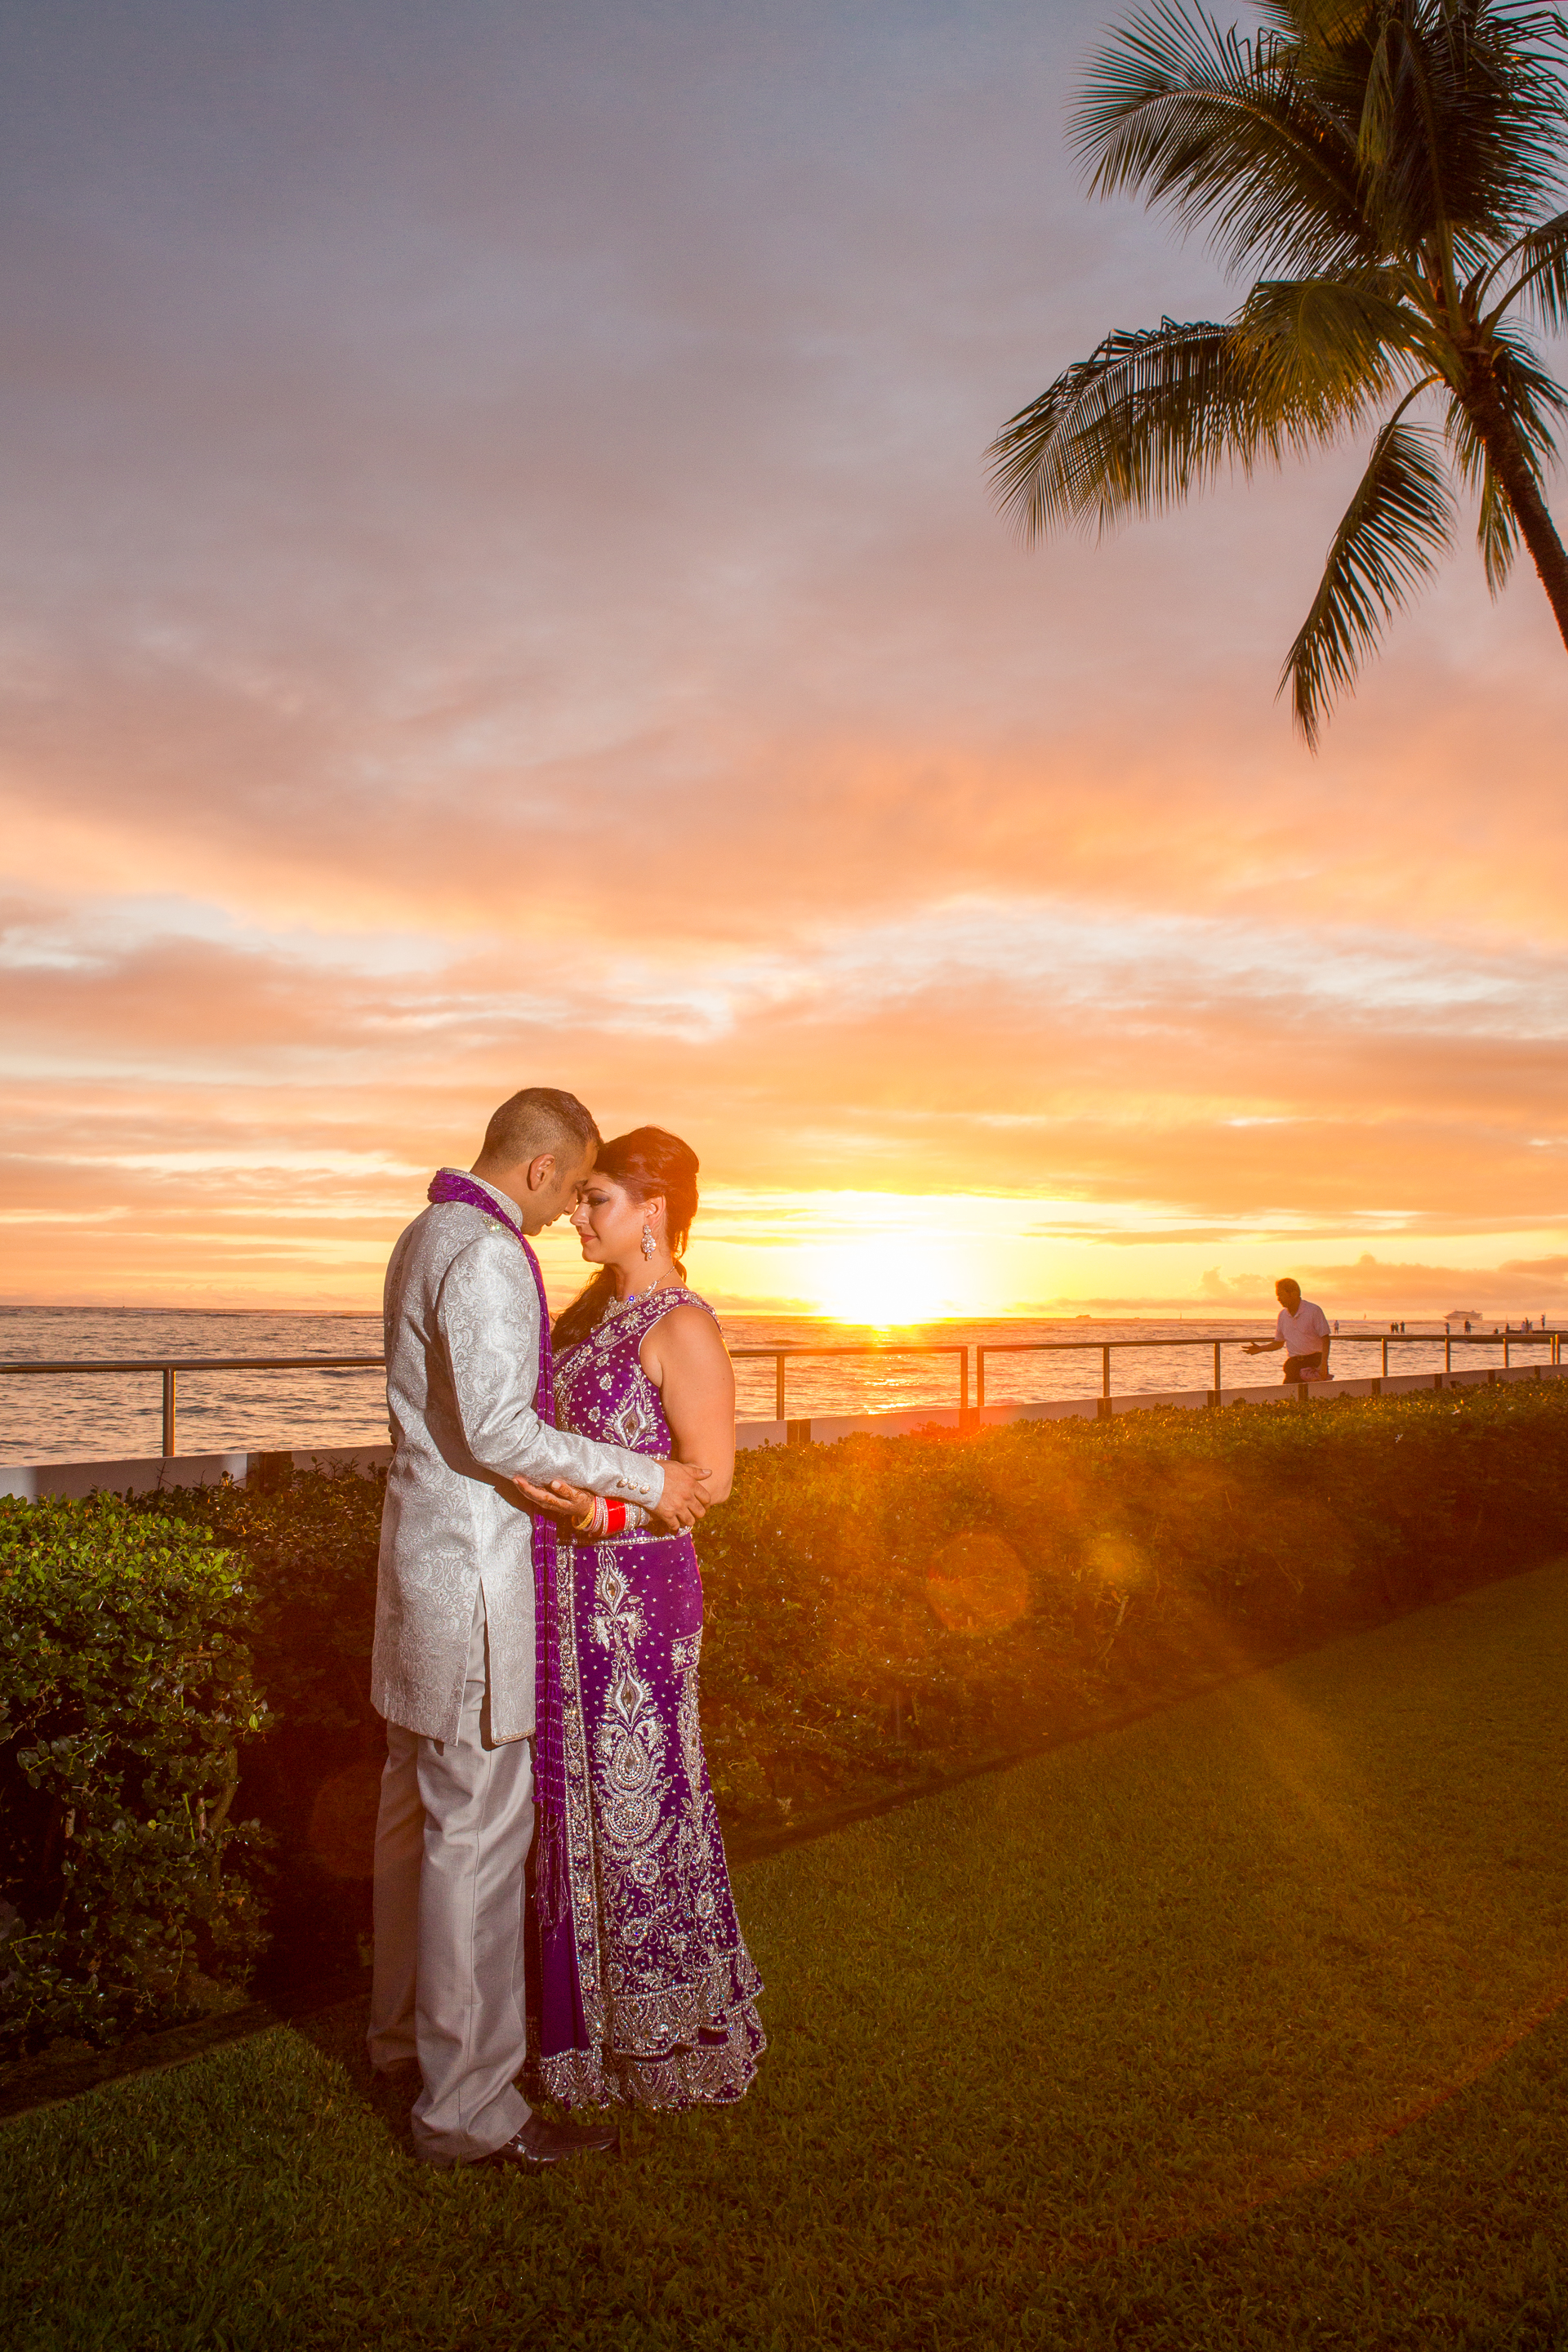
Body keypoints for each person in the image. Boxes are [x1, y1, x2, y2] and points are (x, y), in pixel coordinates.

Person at [366, 1088, 712, 2174]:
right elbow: (503, 1429)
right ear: (538, 1169)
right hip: (471, 1594)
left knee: (413, 1825)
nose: (568, 1217)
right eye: (570, 1190)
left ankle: (398, 2043)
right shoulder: (484, 1253)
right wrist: (646, 1478)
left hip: (420, 1584)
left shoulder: (423, 1235)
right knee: (471, 1845)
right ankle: (467, 2109)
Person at [515, 1126, 766, 2109]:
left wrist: (597, 1512)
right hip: (565, 1596)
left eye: (597, 1199)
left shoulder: (683, 1326)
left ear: (651, 1212)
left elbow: (715, 1482)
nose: (577, 1217)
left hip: (638, 1598)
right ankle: (570, 2032)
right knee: (566, 1808)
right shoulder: (592, 1322)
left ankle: (661, 2028)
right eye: (577, 1200)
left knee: (640, 1808)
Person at [1243, 1278, 1333, 1384]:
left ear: (1294, 1294)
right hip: (1294, 1364)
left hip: (1314, 1362)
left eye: (1281, 1294)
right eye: (1277, 1295)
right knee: (1288, 1396)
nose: (1278, 1299)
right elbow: (1279, 1343)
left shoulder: (1313, 1310)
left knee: (1315, 1396)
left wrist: (1323, 1365)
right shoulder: (1282, 1315)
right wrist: (1260, 1349)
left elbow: (1325, 1338)